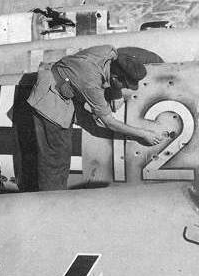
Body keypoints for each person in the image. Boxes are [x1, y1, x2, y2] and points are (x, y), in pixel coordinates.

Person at [27, 46, 166, 190]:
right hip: (51, 97)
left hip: (67, 84)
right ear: (115, 78)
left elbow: (119, 62)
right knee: (57, 158)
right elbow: (109, 122)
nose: (126, 88)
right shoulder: (91, 82)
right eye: (124, 84)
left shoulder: (110, 52)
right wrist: (143, 134)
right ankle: (52, 200)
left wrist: (116, 93)